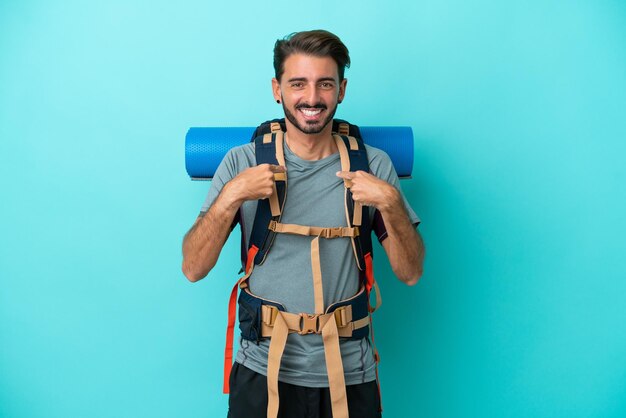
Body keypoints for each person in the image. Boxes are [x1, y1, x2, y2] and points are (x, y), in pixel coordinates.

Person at [182, 29, 425, 418]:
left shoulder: (374, 165)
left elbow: (411, 272)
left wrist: (392, 203)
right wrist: (231, 196)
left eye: (324, 84)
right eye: (298, 84)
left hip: (349, 374)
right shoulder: (240, 162)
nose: (312, 98)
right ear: (277, 89)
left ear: (341, 90)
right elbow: (193, 267)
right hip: (262, 371)